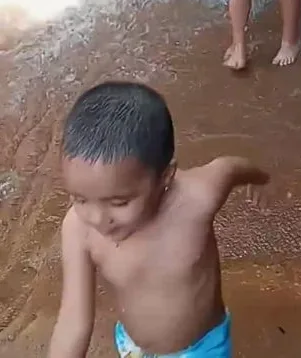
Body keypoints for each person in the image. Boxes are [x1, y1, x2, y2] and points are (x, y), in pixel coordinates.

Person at [49, 80, 269, 358]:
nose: (98, 218)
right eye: (79, 199)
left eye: (119, 202)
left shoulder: (198, 198)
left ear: (165, 177)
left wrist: (262, 180)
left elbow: (230, 167)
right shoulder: (78, 229)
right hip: (133, 347)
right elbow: (73, 322)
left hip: (203, 349)